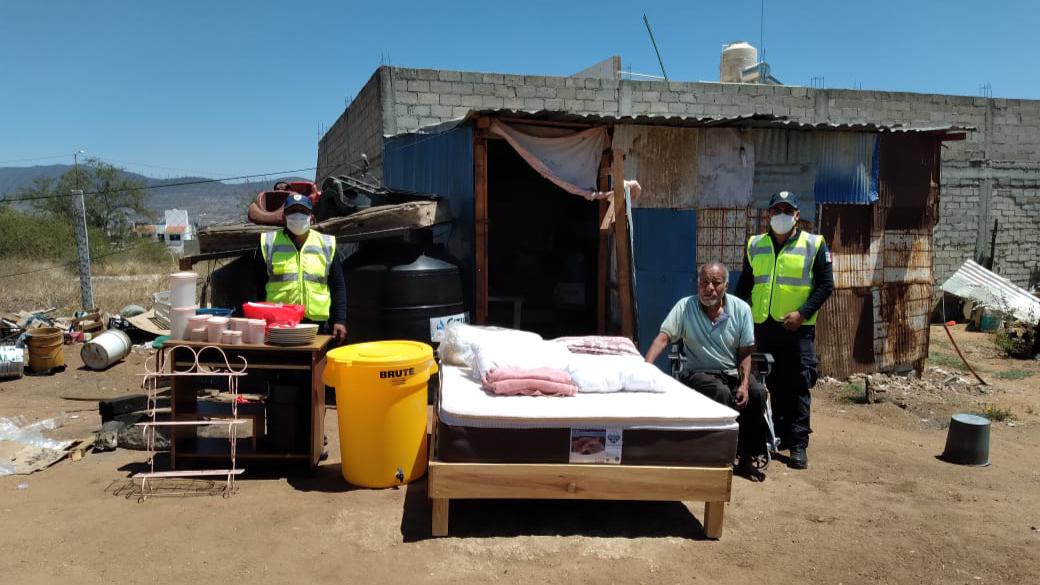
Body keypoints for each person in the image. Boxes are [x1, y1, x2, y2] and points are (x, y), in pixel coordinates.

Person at [644, 261, 769, 481]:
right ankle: (718, 457)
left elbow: (745, 352)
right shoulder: (685, 306)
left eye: (715, 283)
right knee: (718, 392)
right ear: (697, 284)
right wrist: (645, 366)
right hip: (698, 372)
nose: (709, 288)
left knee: (757, 393)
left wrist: (744, 384)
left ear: (726, 286)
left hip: (731, 371)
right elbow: (663, 338)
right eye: (704, 282)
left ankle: (747, 459)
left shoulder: (741, 310)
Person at [736, 190, 833, 470]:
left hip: (796, 329)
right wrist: (739, 318)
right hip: (762, 328)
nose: (781, 216)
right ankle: (768, 437)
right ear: (767, 215)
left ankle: (798, 444)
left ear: (797, 216)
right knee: (763, 385)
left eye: (787, 211)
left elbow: (826, 285)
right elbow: (745, 286)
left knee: (798, 384)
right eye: (776, 210)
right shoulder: (755, 245)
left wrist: (802, 314)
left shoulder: (814, 244)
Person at [252, 193, 347, 343]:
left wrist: (340, 320)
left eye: (303, 212)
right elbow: (256, 286)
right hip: (277, 325)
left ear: (311, 217)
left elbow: (338, 285)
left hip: (316, 326)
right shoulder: (268, 243)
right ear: (284, 217)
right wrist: (256, 321)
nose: (298, 216)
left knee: (314, 365)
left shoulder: (326, 244)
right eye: (292, 211)